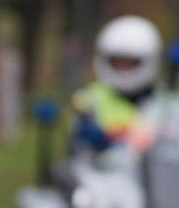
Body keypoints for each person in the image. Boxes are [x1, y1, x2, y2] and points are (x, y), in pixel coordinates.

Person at [71, 15, 166, 152]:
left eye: (130, 63)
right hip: (105, 170)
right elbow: (79, 143)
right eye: (118, 62)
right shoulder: (87, 100)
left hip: (156, 171)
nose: (123, 69)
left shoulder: (168, 102)